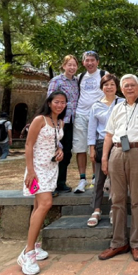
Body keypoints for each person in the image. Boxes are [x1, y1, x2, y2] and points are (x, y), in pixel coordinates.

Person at [99, 74, 138, 262]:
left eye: (133, 85)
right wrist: (104, 157)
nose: (129, 88)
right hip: (117, 153)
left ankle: (137, 243)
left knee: (137, 200)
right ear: (121, 89)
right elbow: (109, 135)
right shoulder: (117, 107)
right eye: (126, 86)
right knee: (116, 199)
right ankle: (118, 242)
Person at [18, 91, 67, 275]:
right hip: (36, 169)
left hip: (51, 168)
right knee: (46, 203)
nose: (60, 105)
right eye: (57, 102)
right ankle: (27, 252)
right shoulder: (40, 119)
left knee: (38, 206)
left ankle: (34, 245)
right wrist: (30, 170)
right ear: (49, 102)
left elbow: (54, 142)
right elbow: (29, 145)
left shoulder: (60, 122)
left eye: (63, 102)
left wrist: (59, 151)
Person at [86, 73, 125, 227]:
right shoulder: (96, 106)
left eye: (112, 84)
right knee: (99, 178)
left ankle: (114, 208)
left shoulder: (122, 103)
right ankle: (96, 209)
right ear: (102, 87)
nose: (109, 87)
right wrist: (91, 148)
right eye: (106, 85)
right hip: (101, 143)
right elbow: (92, 129)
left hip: (120, 143)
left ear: (117, 87)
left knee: (118, 178)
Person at [72, 50, 106, 194]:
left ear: (97, 62)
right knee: (80, 148)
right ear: (83, 62)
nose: (90, 63)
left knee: (95, 147)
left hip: (98, 115)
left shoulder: (104, 74)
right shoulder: (79, 77)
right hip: (81, 114)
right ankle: (82, 179)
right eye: (87, 60)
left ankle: (95, 178)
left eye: (93, 60)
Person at [47, 54, 80, 194]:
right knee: (54, 151)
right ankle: (50, 185)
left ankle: (61, 182)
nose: (72, 67)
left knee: (66, 152)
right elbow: (50, 100)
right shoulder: (56, 81)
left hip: (72, 122)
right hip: (58, 121)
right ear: (64, 66)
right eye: (69, 64)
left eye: (74, 65)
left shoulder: (77, 82)